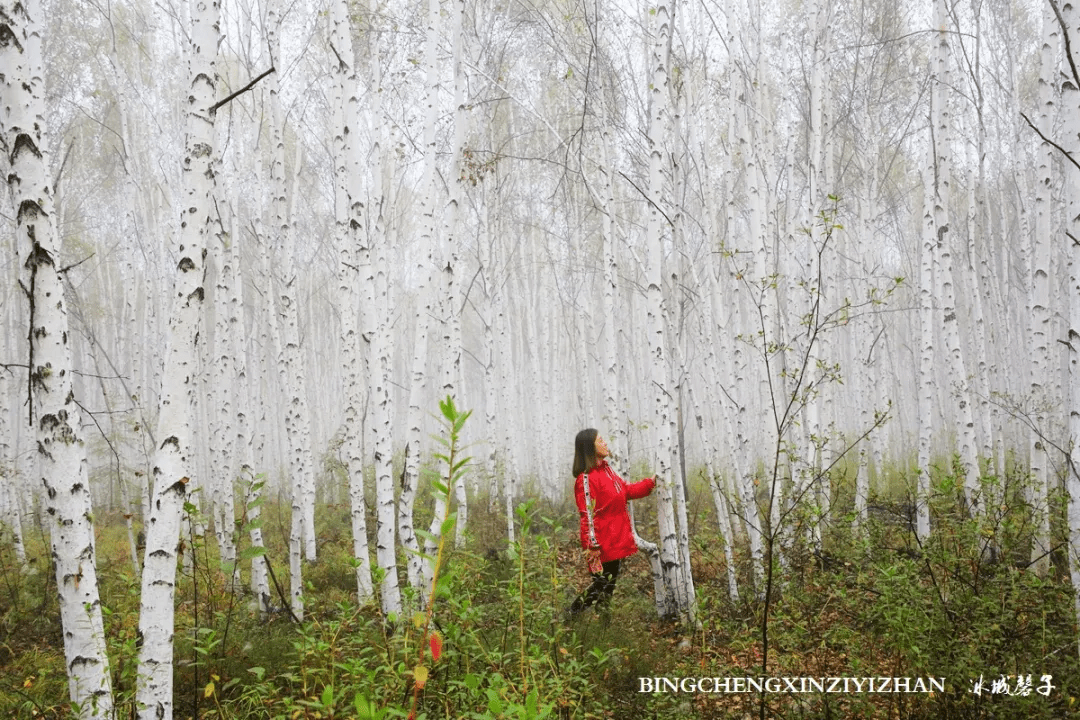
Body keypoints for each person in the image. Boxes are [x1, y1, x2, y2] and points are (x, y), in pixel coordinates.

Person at [567, 428, 656, 617]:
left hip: (614, 541)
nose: (605, 443)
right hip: (599, 546)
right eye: (600, 440)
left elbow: (626, 492)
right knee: (600, 586)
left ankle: (603, 627)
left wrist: (651, 483)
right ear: (590, 447)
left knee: (607, 589)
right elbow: (587, 515)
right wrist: (592, 546)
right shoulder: (585, 478)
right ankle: (569, 615)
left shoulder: (607, 471)